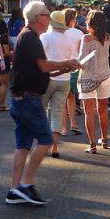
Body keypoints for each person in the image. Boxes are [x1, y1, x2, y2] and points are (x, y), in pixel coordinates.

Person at [5, 2, 81, 206]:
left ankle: (14, 189)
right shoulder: (30, 36)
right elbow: (43, 65)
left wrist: (60, 70)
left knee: (23, 145)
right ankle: (25, 184)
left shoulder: (28, 36)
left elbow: (40, 70)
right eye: (47, 14)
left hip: (22, 97)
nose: (50, 18)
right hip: (28, 98)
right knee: (46, 139)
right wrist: (68, 63)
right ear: (38, 17)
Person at [39, 11, 74, 158]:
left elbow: (39, 58)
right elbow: (71, 60)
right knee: (57, 113)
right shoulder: (67, 40)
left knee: (41, 111)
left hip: (47, 78)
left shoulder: (45, 37)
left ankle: (43, 146)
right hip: (64, 79)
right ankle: (54, 147)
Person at [78, 10, 110, 153]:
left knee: (89, 112)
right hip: (105, 76)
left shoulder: (87, 38)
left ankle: (92, 144)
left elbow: (82, 60)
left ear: (90, 22)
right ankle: (104, 139)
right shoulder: (107, 37)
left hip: (88, 78)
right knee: (103, 111)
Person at [61, 8, 85, 135]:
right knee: (71, 96)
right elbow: (81, 51)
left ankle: (64, 127)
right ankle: (73, 124)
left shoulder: (59, 32)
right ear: (72, 20)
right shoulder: (78, 33)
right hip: (74, 67)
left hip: (61, 67)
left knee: (63, 99)